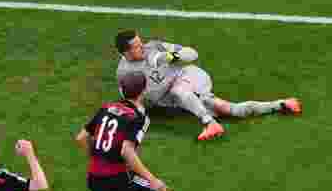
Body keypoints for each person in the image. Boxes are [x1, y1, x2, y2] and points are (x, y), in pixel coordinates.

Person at [114, 30, 302, 141]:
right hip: (174, 97)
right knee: (231, 110)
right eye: (138, 46)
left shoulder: (155, 47)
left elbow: (192, 54)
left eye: (141, 42)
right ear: (126, 52)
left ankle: (210, 124)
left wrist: (170, 57)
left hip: (189, 77)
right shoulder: (125, 74)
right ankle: (281, 104)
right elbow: (141, 101)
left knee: (179, 90)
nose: (143, 47)